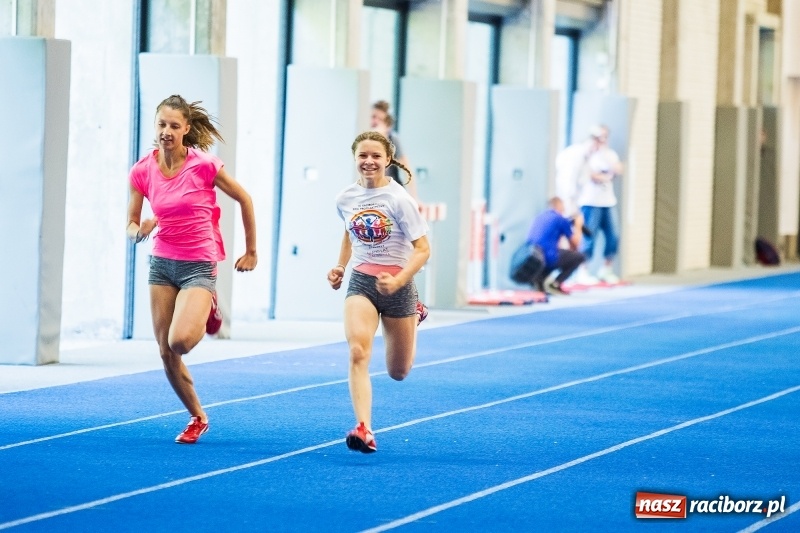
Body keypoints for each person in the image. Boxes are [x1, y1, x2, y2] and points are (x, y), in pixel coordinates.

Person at [127, 94, 257, 444]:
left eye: (173, 126)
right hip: (162, 264)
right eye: (161, 125)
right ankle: (197, 416)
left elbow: (245, 199)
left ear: (186, 129)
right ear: (155, 127)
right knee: (166, 352)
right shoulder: (142, 170)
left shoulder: (203, 165)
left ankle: (208, 305)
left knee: (181, 341)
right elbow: (131, 223)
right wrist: (140, 232)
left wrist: (251, 251)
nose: (166, 132)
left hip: (198, 262)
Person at [327, 131, 430, 454]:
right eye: (363, 156)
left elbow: (423, 250)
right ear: (355, 158)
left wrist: (400, 284)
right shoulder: (345, 198)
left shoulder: (400, 200)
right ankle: (364, 428)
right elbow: (349, 232)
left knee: (398, 372)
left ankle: (416, 311)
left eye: (375, 156)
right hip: (362, 282)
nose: (369, 161)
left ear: (387, 160)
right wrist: (341, 267)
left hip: (399, 286)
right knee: (358, 351)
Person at [555, 125, 623, 284]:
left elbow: (616, 170)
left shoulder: (605, 155)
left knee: (612, 236)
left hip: (601, 201)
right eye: (598, 139)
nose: (600, 142)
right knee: (586, 237)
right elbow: (571, 181)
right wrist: (570, 206)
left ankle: (604, 269)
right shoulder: (577, 154)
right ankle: (581, 270)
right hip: (584, 202)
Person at [524, 197, 585, 295]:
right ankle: (556, 284)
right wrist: (578, 226)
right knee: (579, 257)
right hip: (547, 257)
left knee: (554, 253)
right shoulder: (560, 218)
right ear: (559, 206)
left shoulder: (540, 216)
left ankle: (539, 280)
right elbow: (575, 244)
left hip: (531, 257)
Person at [370, 100, 422, 204]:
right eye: (373, 117)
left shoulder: (393, 140)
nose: (375, 122)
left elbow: (407, 170)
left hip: (391, 194)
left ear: (387, 125)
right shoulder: (363, 140)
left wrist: (414, 196)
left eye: (380, 119)